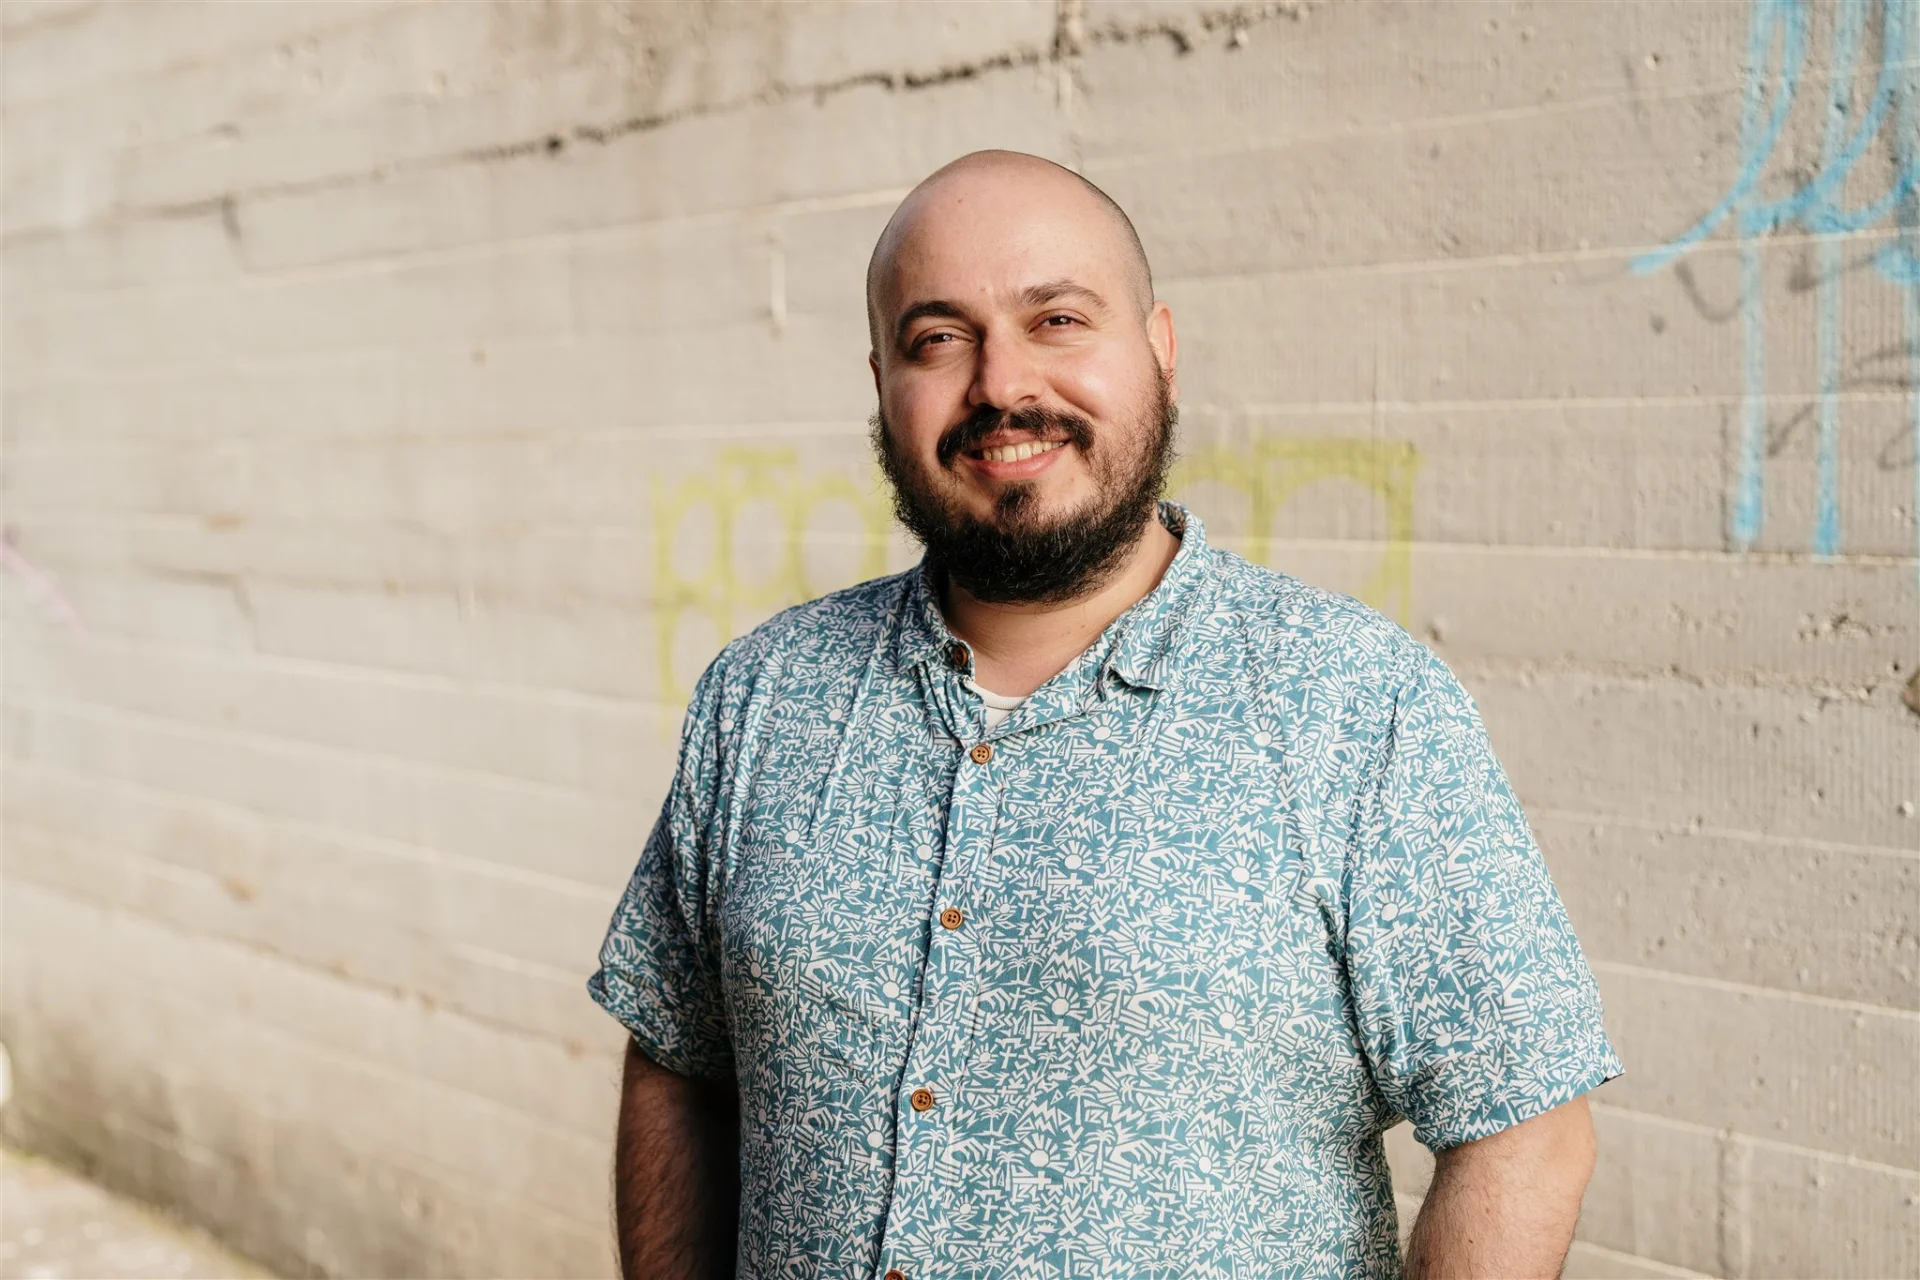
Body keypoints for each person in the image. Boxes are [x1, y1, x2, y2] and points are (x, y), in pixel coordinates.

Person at [589, 149, 1621, 1279]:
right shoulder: (763, 695)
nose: (1001, 384)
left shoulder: (1355, 705)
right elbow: (679, 1061)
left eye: (1058, 320)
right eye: (939, 338)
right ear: (882, 381)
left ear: (1160, 350)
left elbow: (1525, 1130)